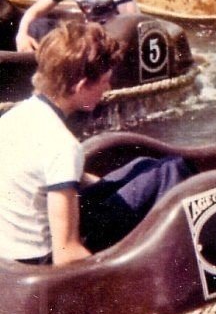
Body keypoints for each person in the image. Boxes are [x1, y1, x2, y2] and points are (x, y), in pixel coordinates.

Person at [0, 21, 192, 265]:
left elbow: (40, 177)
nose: (108, 88)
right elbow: (66, 253)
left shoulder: (13, 118)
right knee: (169, 171)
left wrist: (111, 188)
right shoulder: (61, 144)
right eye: (104, 81)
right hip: (41, 261)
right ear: (81, 86)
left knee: (145, 166)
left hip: (12, 251)